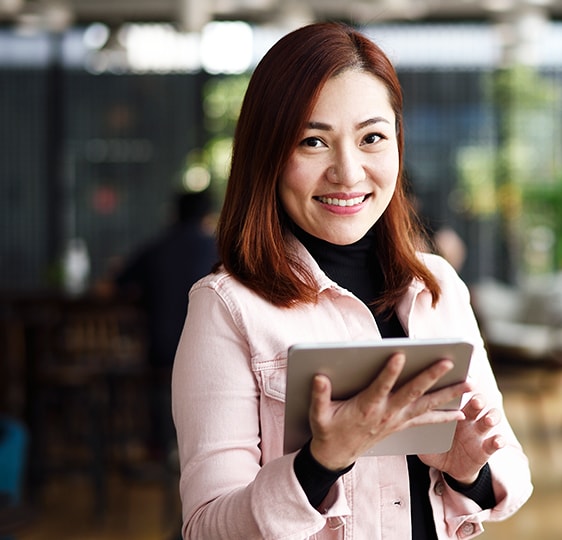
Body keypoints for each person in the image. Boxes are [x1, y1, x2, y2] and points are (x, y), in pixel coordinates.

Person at [171, 22, 532, 540]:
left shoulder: (438, 287)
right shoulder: (227, 307)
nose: (348, 171)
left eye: (372, 138)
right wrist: (320, 463)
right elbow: (206, 526)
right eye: (313, 141)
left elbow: (512, 471)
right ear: (268, 154)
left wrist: (467, 471)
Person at [113, 189, 218, 459]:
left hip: (161, 349)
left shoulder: (156, 248)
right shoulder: (219, 251)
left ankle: (160, 446)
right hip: (209, 352)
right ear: (207, 217)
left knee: (161, 380)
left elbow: (118, 282)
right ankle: (201, 446)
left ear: (174, 215)